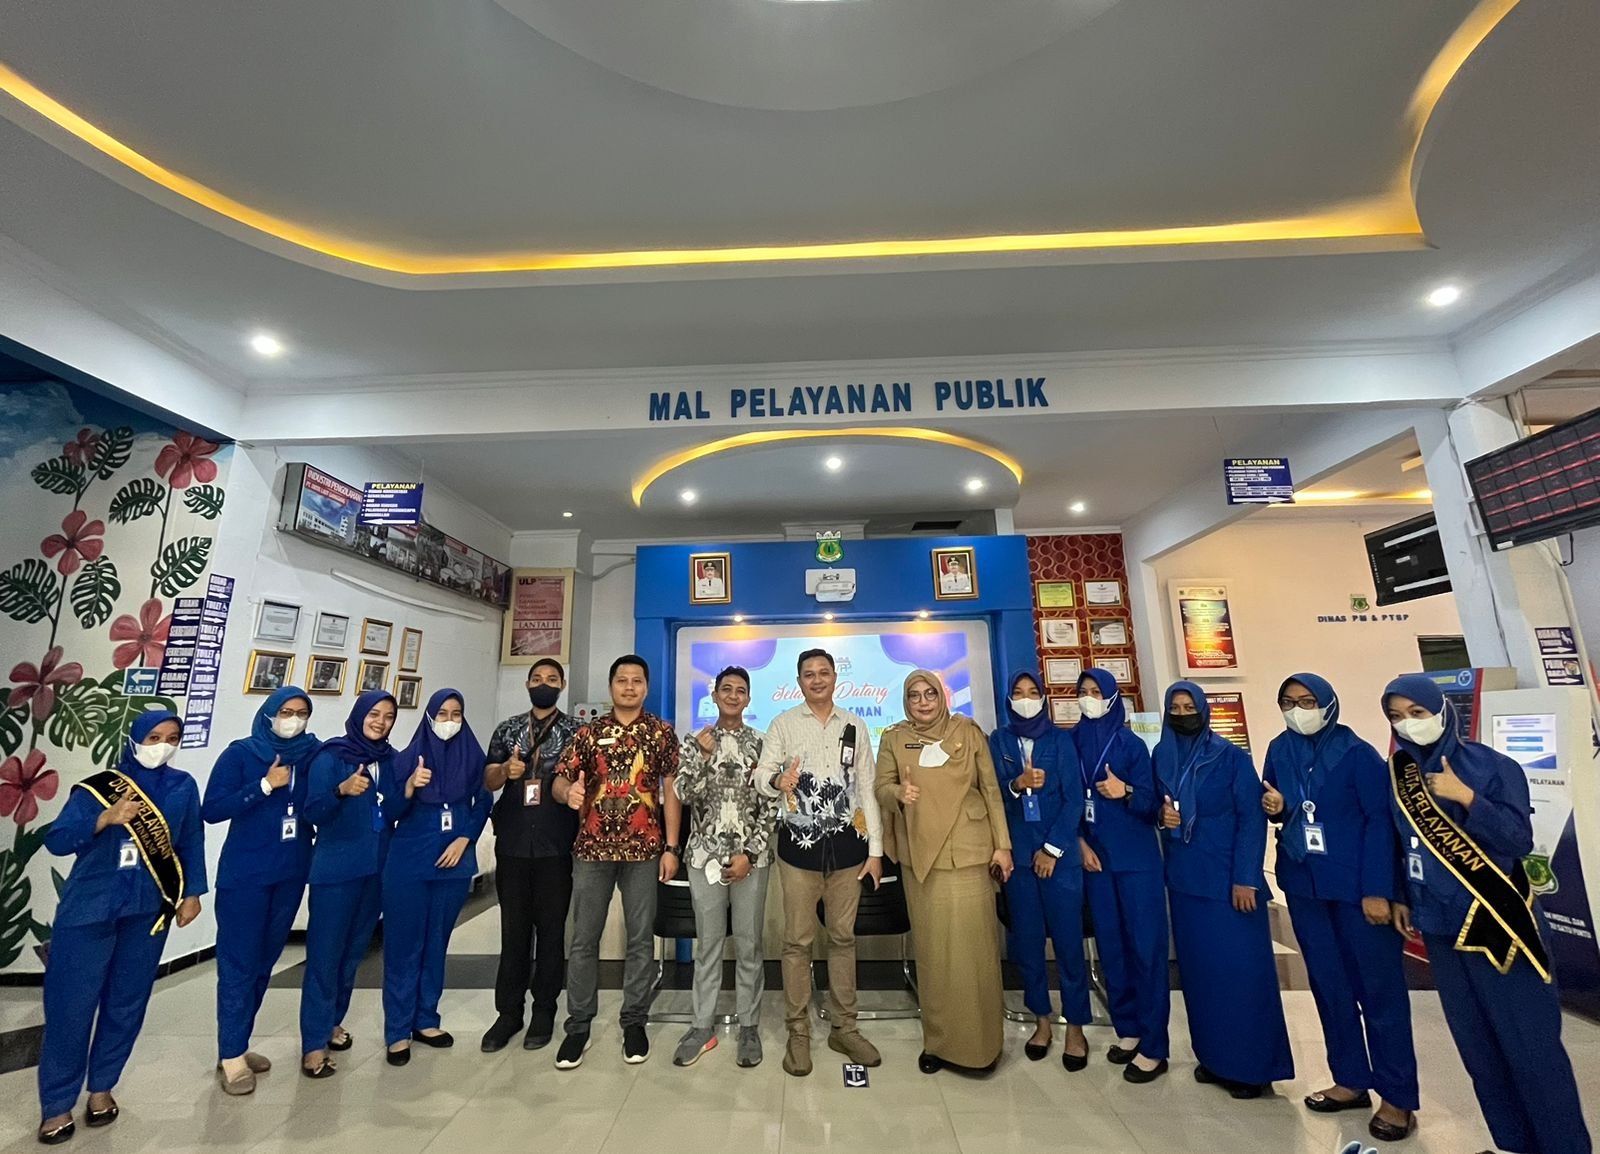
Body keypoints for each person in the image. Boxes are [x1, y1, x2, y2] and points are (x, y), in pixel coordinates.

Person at [1382, 675, 1591, 1154]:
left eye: (1417, 712)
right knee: (1480, 1051)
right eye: (1396, 716)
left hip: (1497, 925)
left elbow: (1517, 840)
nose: (1407, 724)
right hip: (1439, 928)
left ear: (1441, 711)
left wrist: (1467, 797)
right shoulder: (1399, 773)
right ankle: (1515, 1144)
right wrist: (1398, 895)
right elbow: (1398, 844)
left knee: (1532, 1047)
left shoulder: (1493, 766)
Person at [36, 710, 206, 1146]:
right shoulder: (98, 787)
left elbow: (190, 842)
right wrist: (104, 819)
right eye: (154, 737)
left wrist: (192, 893)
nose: (162, 745)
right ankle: (56, 1104)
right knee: (70, 1008)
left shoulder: (183, 786)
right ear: (135, 739)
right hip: (90, 909)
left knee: (126, 1003)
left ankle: (102, 1088)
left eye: (172, 738)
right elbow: (57, 839)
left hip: (147, 911)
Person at [1262, 673, 1417, 1141]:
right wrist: (1276, 807)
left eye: (1307, 701)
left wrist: (1378, 890)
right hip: (1305, 885)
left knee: (1379, 993)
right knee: (1330, 987)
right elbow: (1277, 802)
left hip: (1356, 891)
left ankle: (1397, 1097)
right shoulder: (1279, 749)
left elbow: (1379, 823)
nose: (1298, 710)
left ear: (1329, 704)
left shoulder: (1358, 755)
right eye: (1288, 702)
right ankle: (1350, 1079)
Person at [1155, 681, 1293, 1096]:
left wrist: (1246, 877)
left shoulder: (1231, 757)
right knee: (1203, 978)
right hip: (1186, 882)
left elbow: (1251, 819)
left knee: (1242, 976)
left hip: (1229, 884)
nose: (1182, 714)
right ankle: (1215, 1059)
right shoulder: (1162, 755)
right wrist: (1161, 815)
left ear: (1203, 710)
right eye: (1175, 707)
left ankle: (1253, 1069)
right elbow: (1154, 805)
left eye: (1189, 706)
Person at [755, 648, 884, 1078]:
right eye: (808, 674)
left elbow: (866, 787)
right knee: (797, 942)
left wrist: (876, 851)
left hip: (849, 851)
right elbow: (761, 776)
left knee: (843, 939)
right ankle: (798, 1031)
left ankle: (845, 1028)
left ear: (834, 678)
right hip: (798, 852)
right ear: (799, 682)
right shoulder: (783, 724)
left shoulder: (854, 724)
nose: (816, 679)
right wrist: (778, 780)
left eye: (823, 672)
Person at [875, 670, 1012, 1074]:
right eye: (914, 696)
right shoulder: (894, 738)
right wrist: (897, 792)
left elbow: (991, 790)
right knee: (934, 954)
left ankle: (983, 1046)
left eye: (930, 694)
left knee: (975, 953)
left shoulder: (967, 732)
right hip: (922, 858)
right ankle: (938, 1043)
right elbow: (880, 787)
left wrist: (1002, 845)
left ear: (942, 696)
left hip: (968, 853)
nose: (922, 702)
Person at [552, 654, 682, 1068]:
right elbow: (560, 779)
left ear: (646, 687)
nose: (629, 687)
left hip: (644, 851)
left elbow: (671, 791)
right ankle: (578, 1025)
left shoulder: (661, 733)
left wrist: (672, 847)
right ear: (611, 686)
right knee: (583, 939)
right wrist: (567, 793)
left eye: (637, 680)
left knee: (641, 940)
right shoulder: (588, 733)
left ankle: (634, 1021)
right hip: (592, 850)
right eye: (622, 680)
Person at [203, 688, 320, 1095]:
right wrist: (265, 786)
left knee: (264, 963)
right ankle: (231, 1055)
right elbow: (212, 809)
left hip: (290, 872)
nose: (294, 719)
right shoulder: (241, 754)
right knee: (238, 964)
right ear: (269, 714)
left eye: (302, 712)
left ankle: (236, 1042)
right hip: (246, 876)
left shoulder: (312, 754)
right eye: (286, 711)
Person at [671, 665, 778, 1068]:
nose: (733, 695)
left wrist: (751, 853)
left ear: (748, 698)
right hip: (705, 858)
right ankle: (702, 1026)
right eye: (726, 689)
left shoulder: (763, 744)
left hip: (752, 858)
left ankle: (749, 1026)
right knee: (709, 944)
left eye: (740, 690)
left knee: (750, 944)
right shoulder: (694, 742)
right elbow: (684, 793)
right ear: (714, 695)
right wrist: (702, 757)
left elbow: (771, 805)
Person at [382, 688, 492, 1065]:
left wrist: (465, 838)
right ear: (429, 717)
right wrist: (410, 787)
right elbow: (390, 811)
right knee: (404, 946)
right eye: (442, 713)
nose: (449, 721)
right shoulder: (405, 760)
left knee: (436, 943)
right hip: (409, 863)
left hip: (454, 862)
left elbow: (484, 801)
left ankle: (426, 1019)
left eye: (455, 714)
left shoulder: (472, 757)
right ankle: (398, 1030)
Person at [988, 670, 1092, 1071]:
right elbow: (990, 793)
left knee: (1068, 945)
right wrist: (1016, 784)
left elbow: (1073, 799)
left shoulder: (1060, 740)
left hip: (1059, 859)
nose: (1026, 699)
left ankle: (1076, 1026)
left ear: (1044, 698)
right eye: (1018, 693)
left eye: (1033, 692)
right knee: (1028, 945)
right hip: (1018, 858)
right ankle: (1042, 1021)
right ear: (1009, 699)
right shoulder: (999, 740)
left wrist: (1052, 849)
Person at [1070, 668, 1168, 1081]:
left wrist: (1124, 791)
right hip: (1096, 862)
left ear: (1112, 698)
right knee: (1112, 949)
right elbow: (1067, 798)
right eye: (1084, 691)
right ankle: (1128, 1029)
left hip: (1136, 862)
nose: (1089, 698)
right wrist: (1079, 843)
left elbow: (1152, 805)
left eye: (1097, 692)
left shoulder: (1132, 745)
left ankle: (1155, 1045)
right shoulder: (1071, 741)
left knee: (1146, 950)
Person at [480, 658, 582, 1053]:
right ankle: (508, 1014)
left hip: (556, 843)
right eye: (537, 678)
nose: (544, 684)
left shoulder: (575, 731)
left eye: (552, 679)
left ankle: (544, 1011)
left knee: (552, 932)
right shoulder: (507, 729)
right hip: (514, 842)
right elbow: (488, 779)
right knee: (514, 931)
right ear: (527, 684)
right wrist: (506, 770)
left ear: (562, 685)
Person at [298, 690, 398, 1078]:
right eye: (374, 714)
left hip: (375, 872)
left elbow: (394, 808)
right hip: (336, 873)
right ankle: (312, 1044)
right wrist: (340, 791)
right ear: (359, 715)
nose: (380, 722)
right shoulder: (331, 757)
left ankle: (332, 1022)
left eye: (388, 716)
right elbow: (312, 811)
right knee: (325, 956)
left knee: (353, 953)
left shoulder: (389, 760)